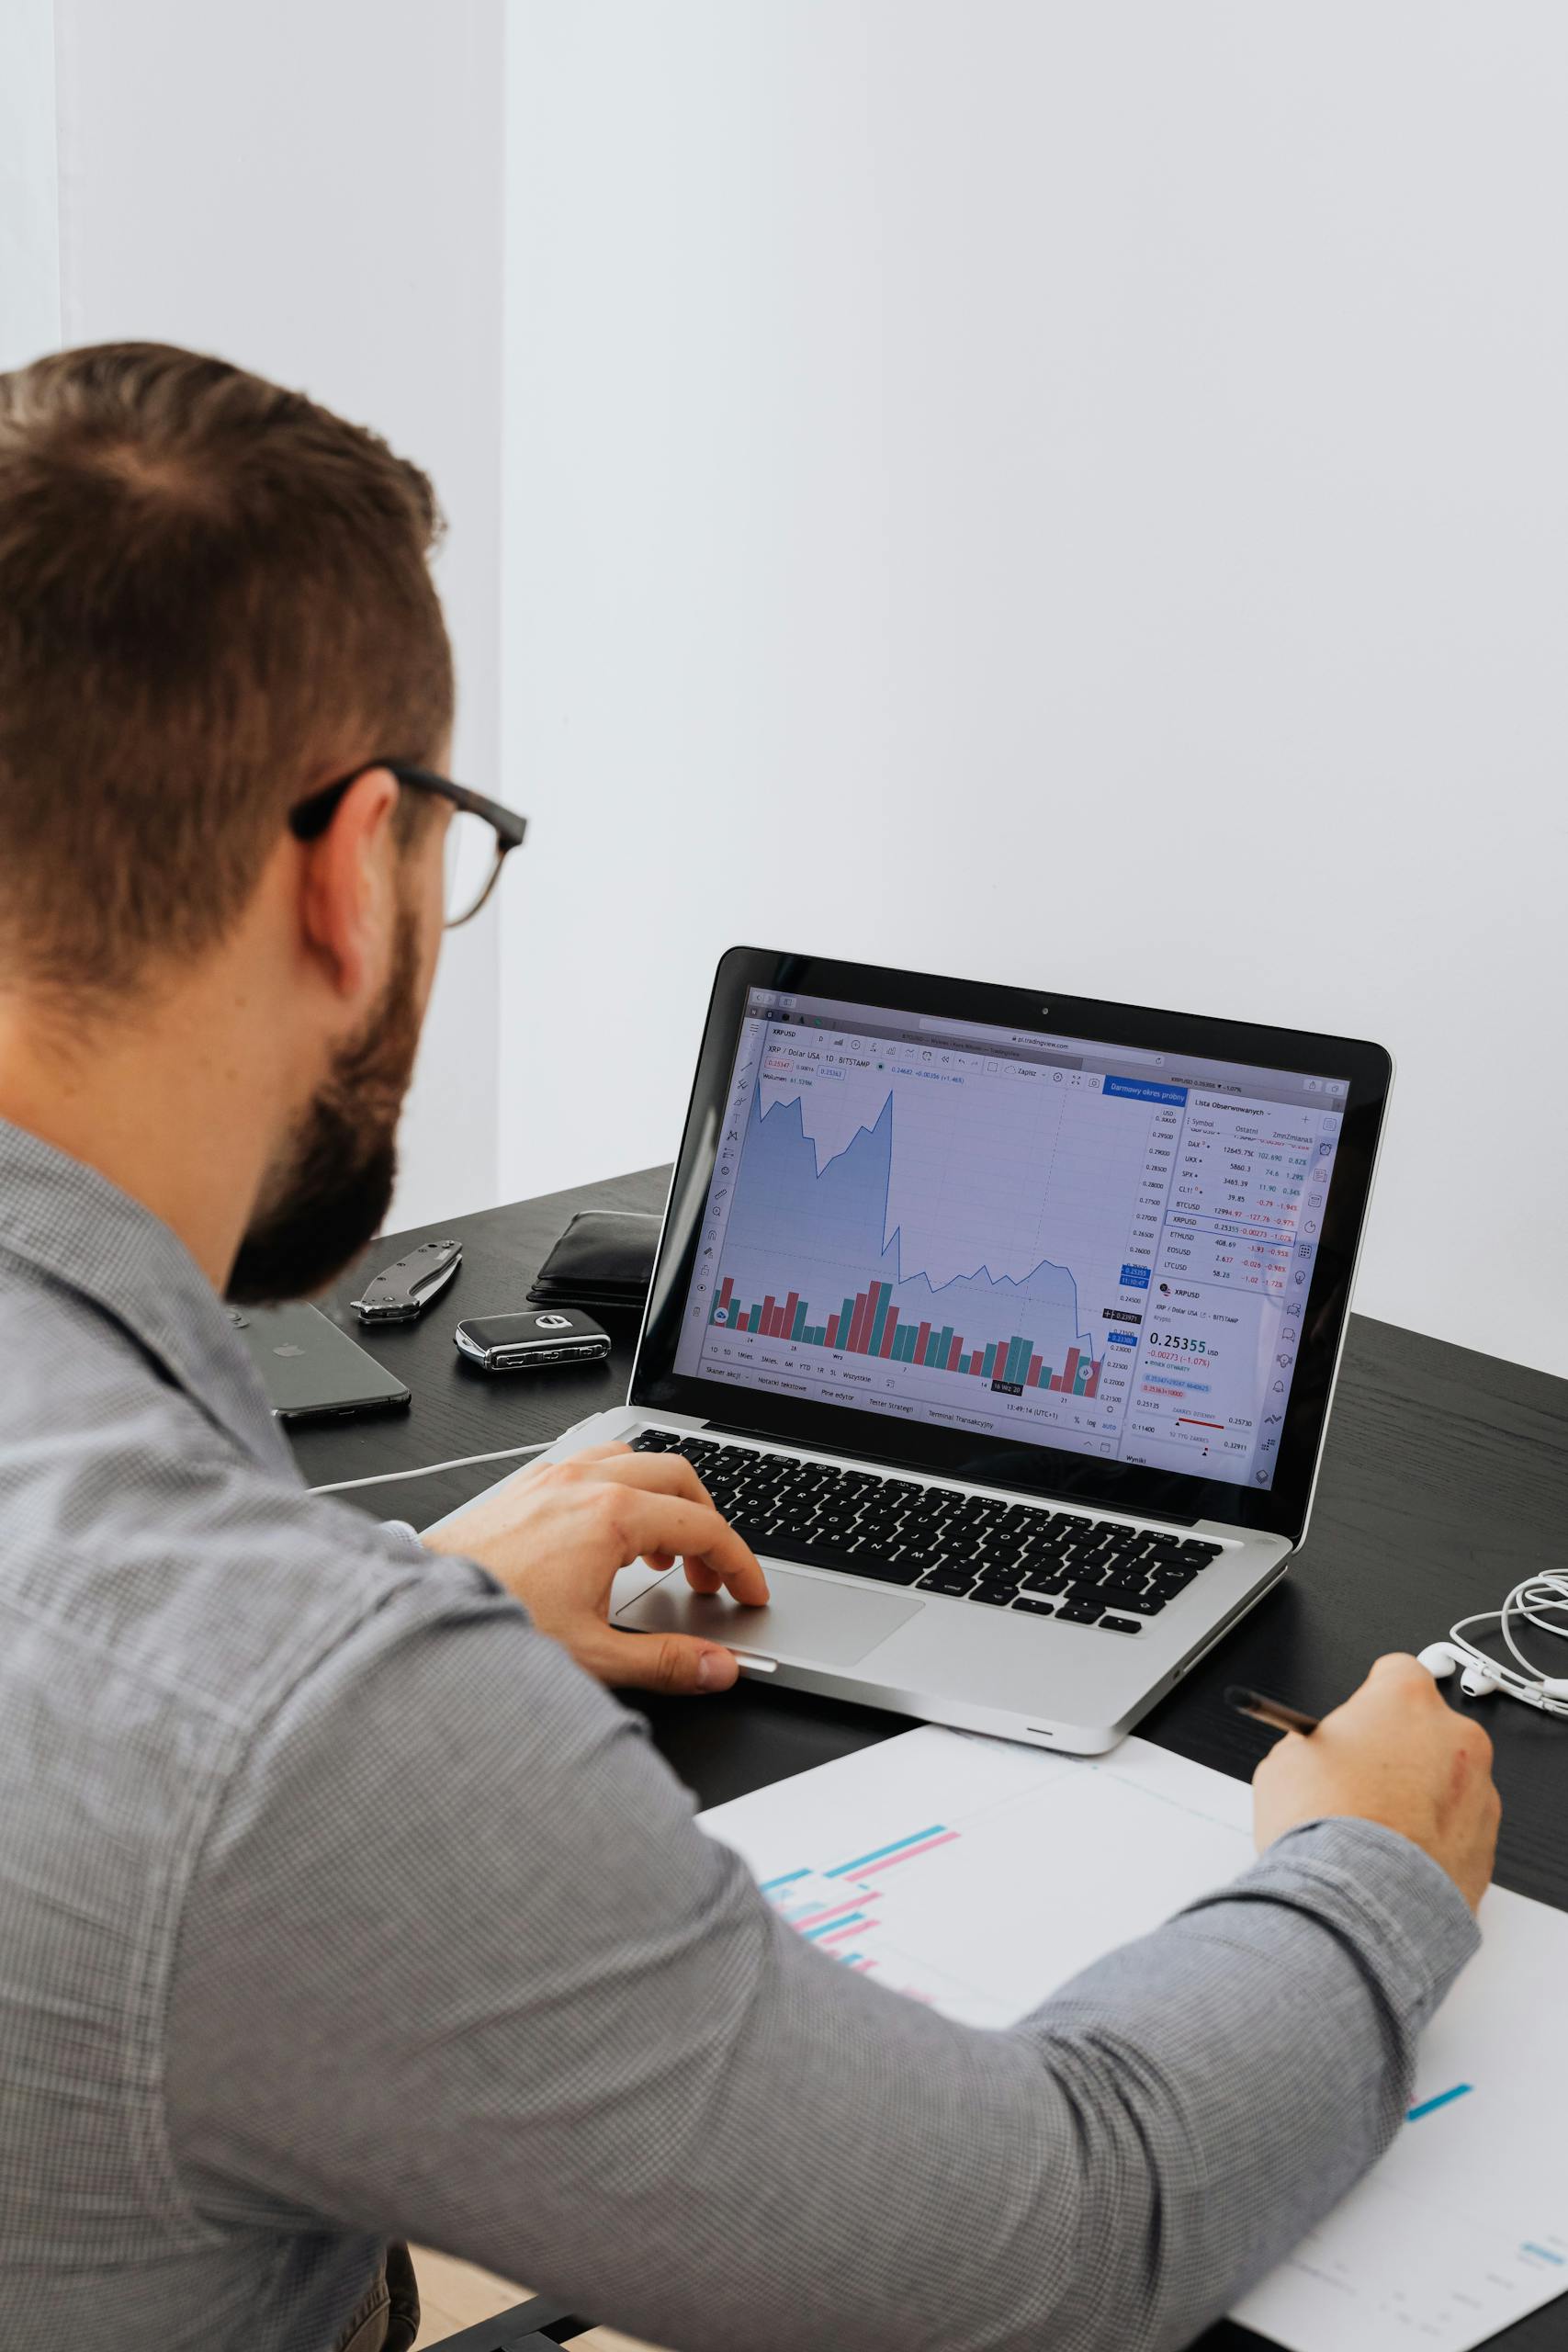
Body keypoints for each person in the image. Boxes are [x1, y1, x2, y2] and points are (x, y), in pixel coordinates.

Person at [0, 343, 1498, 2352]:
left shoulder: (240, 1676)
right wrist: (1361, 1873)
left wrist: (403, 1603)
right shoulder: (296, 1733)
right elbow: (1049, 2231)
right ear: (356, 870)